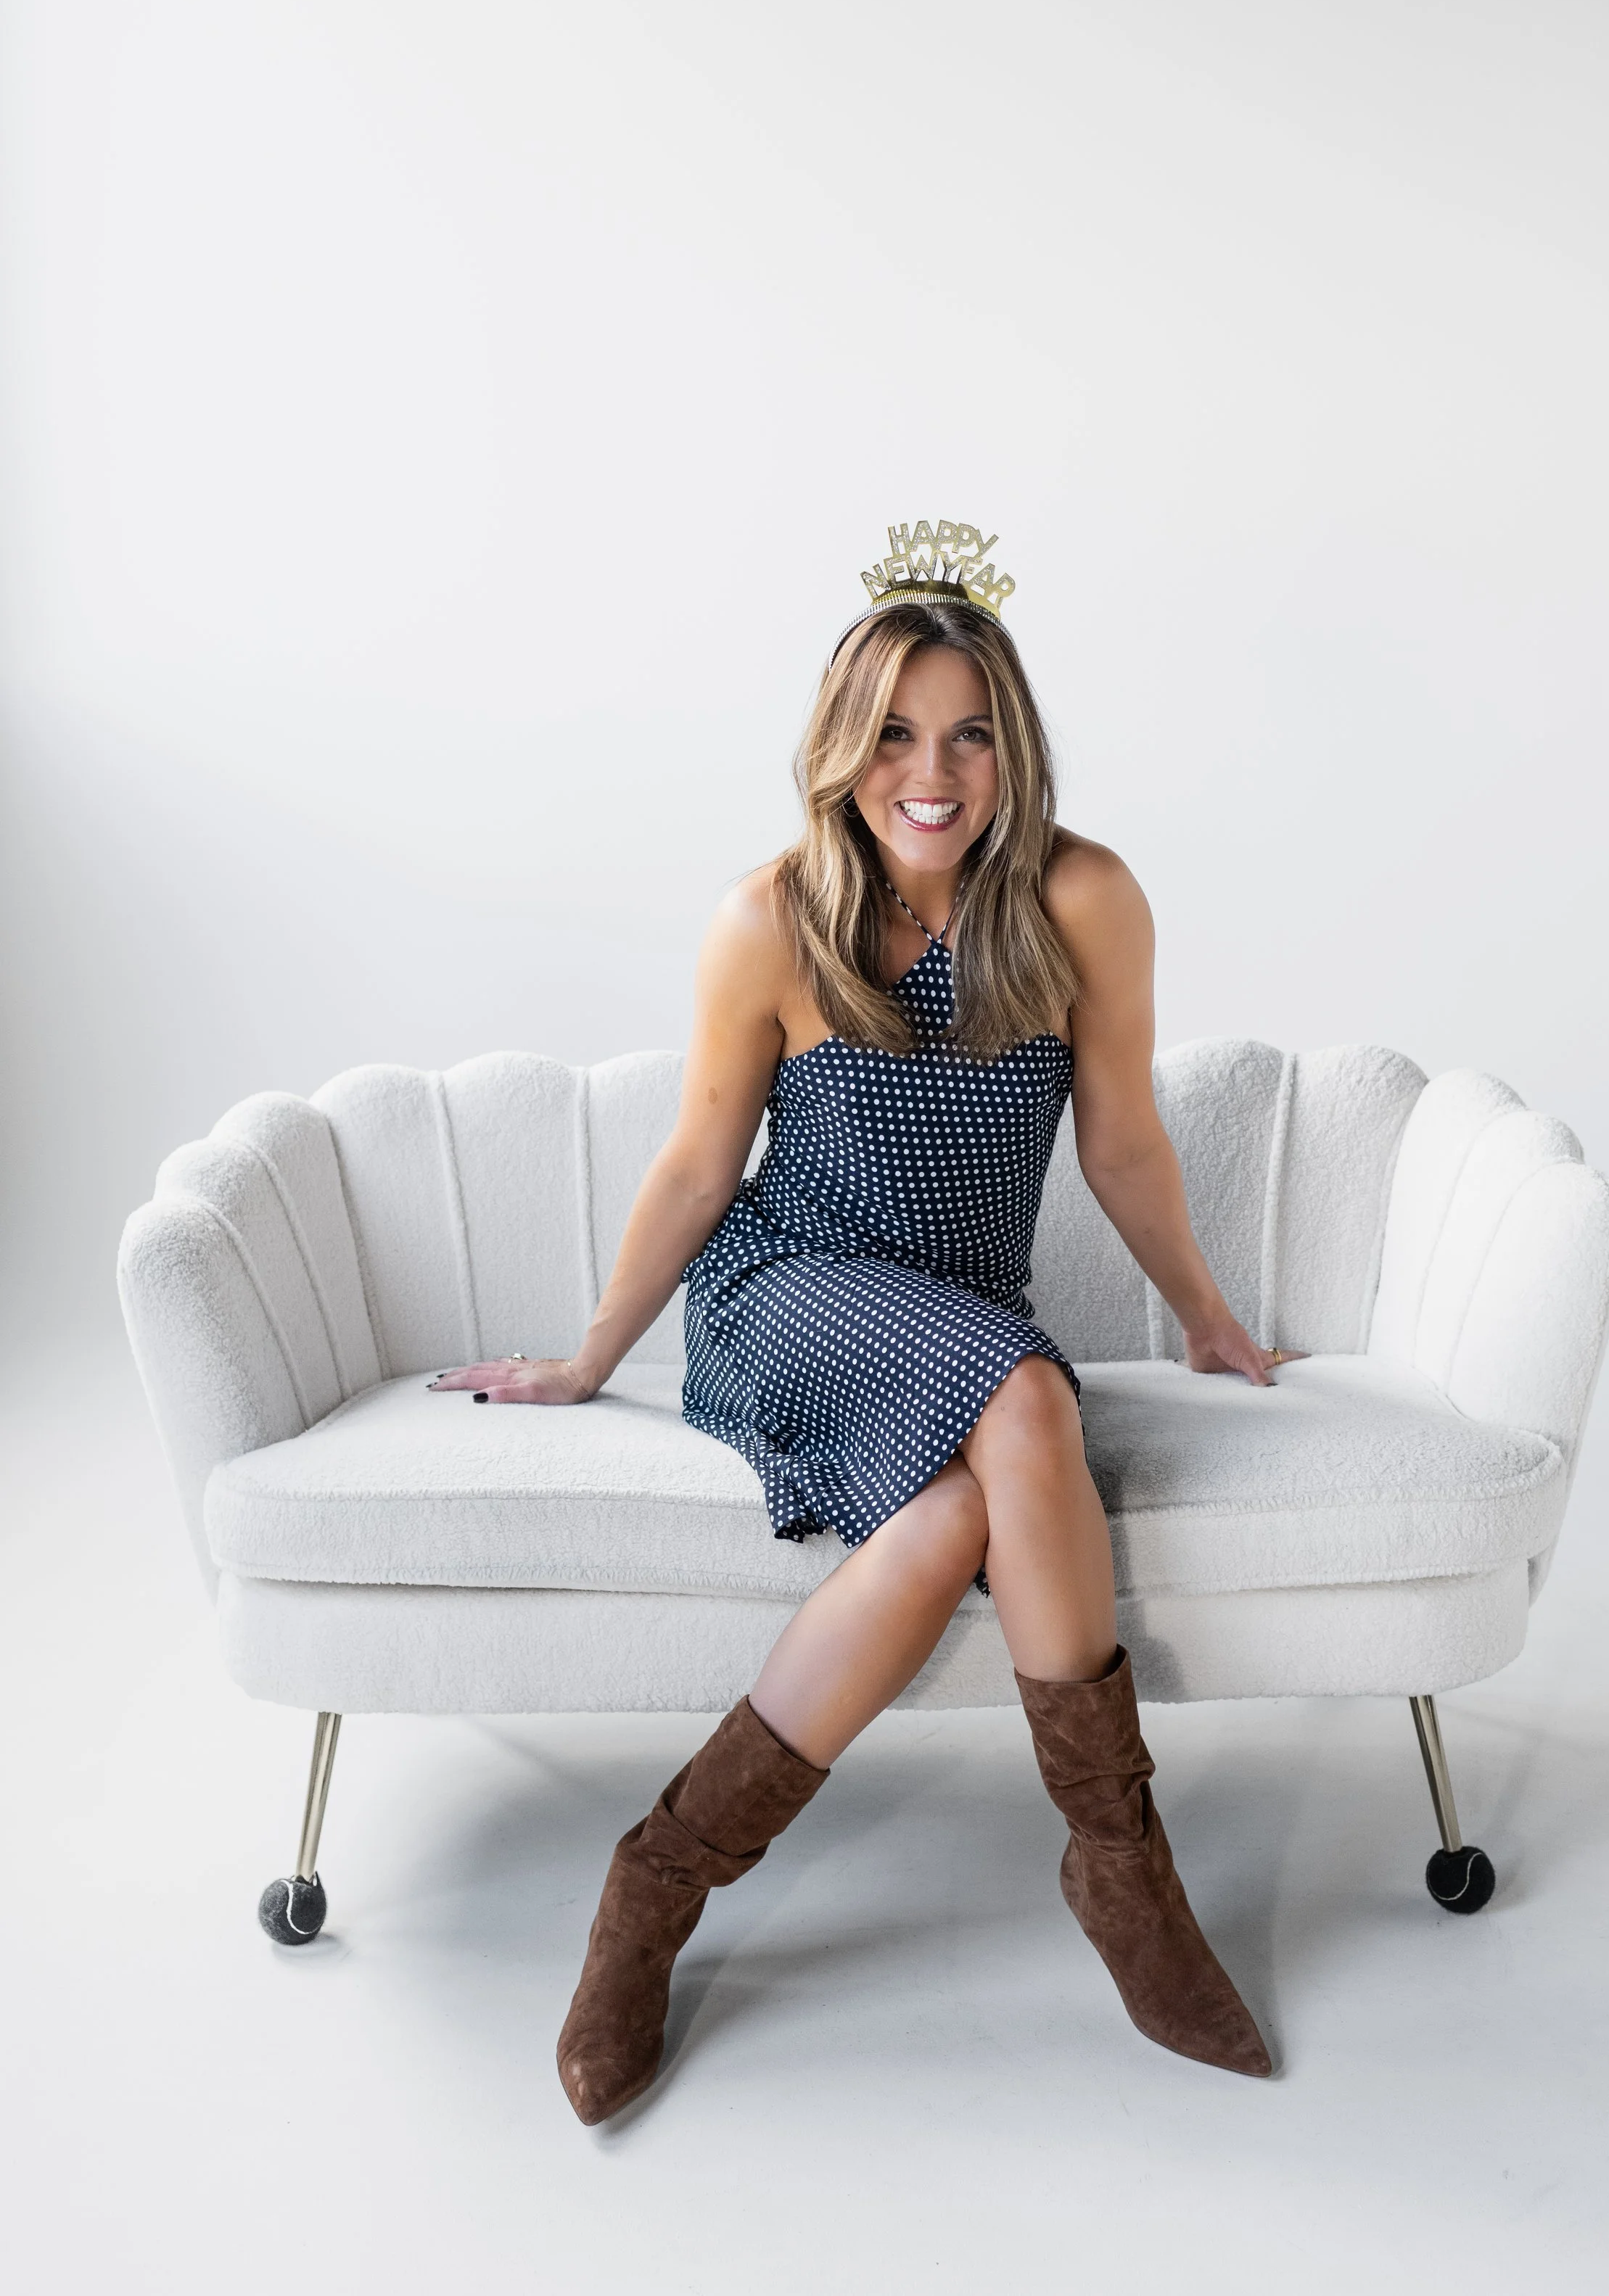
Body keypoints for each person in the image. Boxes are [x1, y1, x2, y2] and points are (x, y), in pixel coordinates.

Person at [432, 535, 1296, 2122]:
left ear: (1011, 744)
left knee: (974, 1488)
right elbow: (700, 1163)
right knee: (1029, 1407)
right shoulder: (769, 917)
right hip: (784, 1295)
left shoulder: (1082, 899)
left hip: (957, 1320)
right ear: (841, 745)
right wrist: (585, 1357)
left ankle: (655, 1879)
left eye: (969, 730)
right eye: (895, 730)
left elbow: (1119, 1144)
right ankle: (1124, 1871)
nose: (933, 770)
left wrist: (1207, 1317)